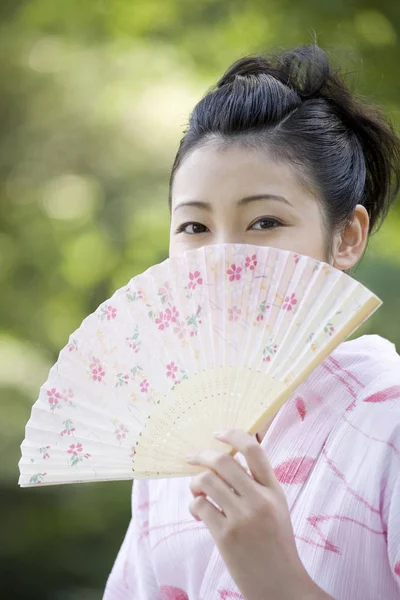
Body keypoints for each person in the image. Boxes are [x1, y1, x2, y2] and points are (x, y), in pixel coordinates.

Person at [103, 44, 400, 600]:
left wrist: (278, 582)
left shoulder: (391, 418)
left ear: (347, 236)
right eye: (193, 228)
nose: (223, 258)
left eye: (264, 221)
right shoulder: (172, 434)